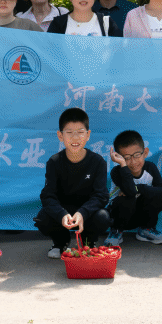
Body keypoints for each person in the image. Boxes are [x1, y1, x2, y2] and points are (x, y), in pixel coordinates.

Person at [35, 107, 111, 258]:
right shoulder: (54, 162)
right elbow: (48, 195)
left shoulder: (97, 162)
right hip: (64, 211)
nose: (75, 138)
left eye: (80, 132)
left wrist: (83, 213)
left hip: (87, 211)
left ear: (88, 135)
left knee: (103, 217)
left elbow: (101, 195)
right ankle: (60, 242)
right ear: (60, 135)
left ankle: (87, 242)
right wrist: (61, 214)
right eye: (69, 132)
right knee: (43, 217)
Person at [103, 130, 162, 246]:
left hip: (141, 216)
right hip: (119, 216)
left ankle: (146, 229)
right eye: (126, 158)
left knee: (154, 194)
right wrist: (123, 165)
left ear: (145, 152)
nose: (133, 162)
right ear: (119, 158)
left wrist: (140, 188)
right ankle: (116, 231)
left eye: (137, 155)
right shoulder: (117, 172)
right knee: (127, 198)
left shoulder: (150, 168)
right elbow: (130, 191)